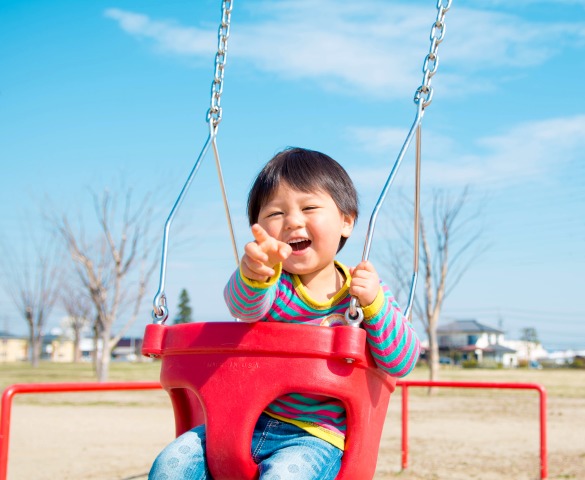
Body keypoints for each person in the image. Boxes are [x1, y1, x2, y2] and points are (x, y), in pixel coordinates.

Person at [149, 147, 420, 480]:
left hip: (314, 438)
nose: (292, 221)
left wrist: (375, 304)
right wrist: (255, 272)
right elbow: (243, 307)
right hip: (242, 422)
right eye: (275, 214)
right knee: (171, 463)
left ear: (346, 221)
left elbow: (401, 361)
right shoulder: (272, 287)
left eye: (308, 207)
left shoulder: (362, 297)